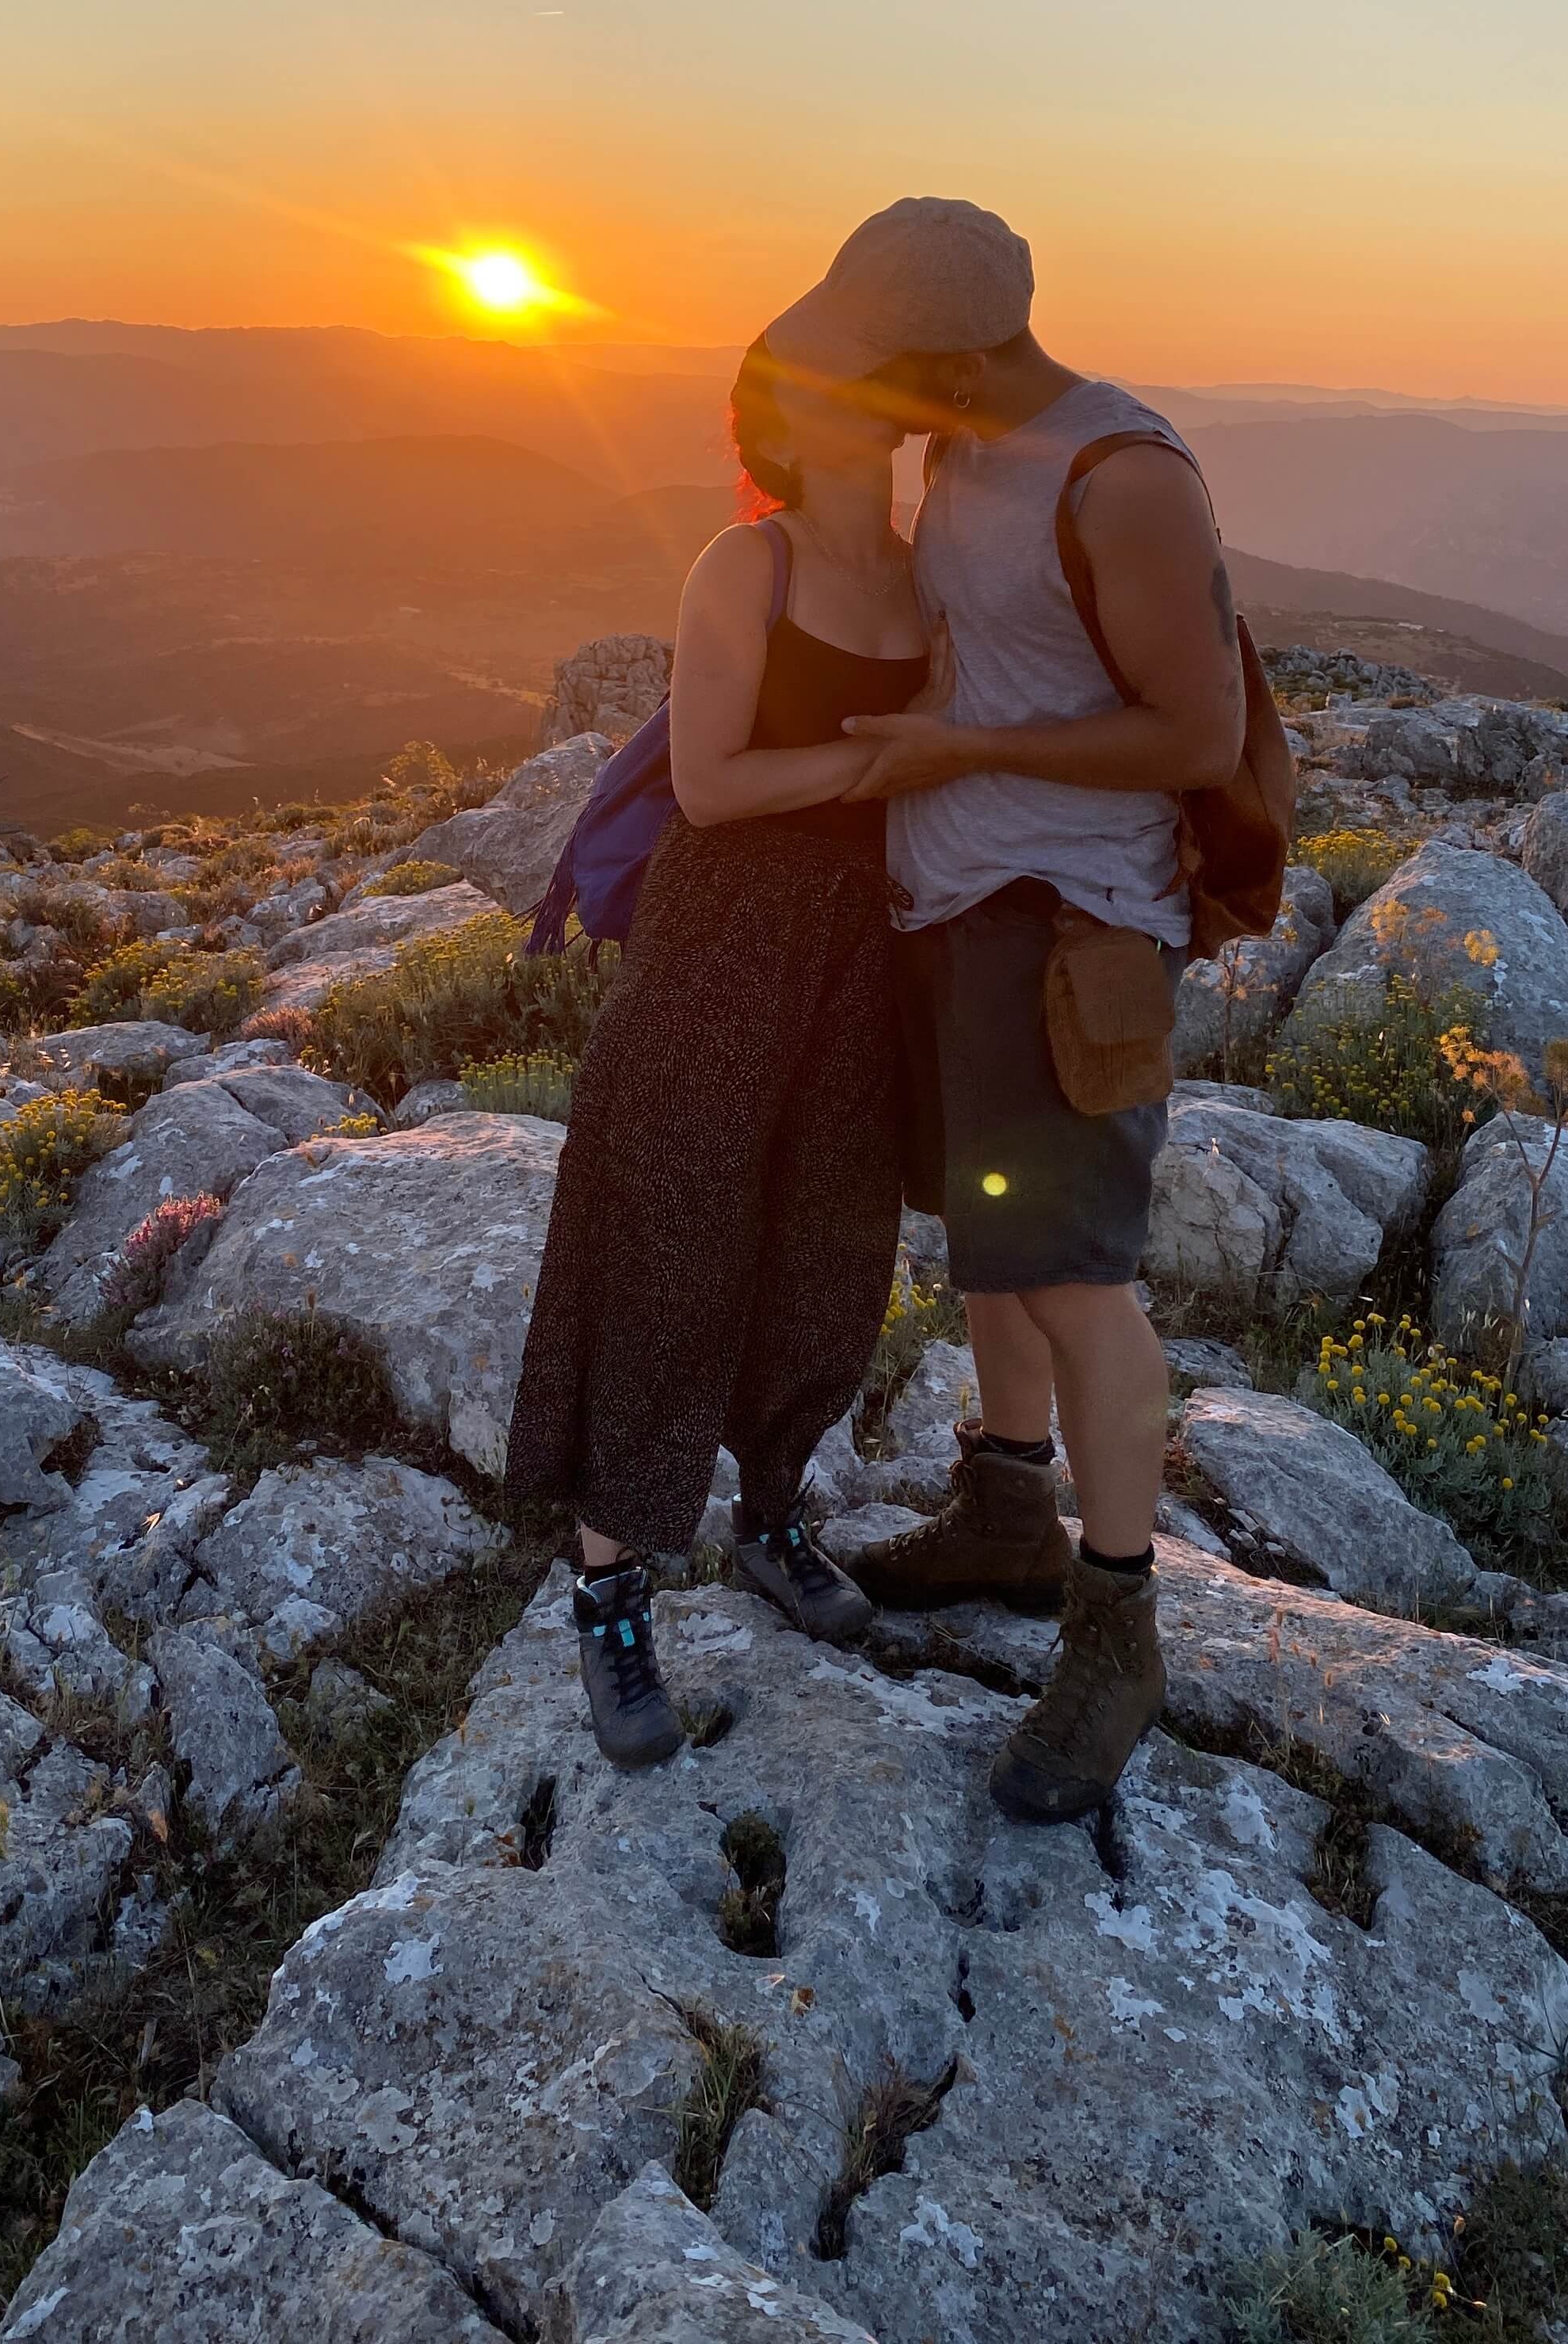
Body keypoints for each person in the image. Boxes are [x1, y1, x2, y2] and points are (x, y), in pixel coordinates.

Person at [760, 197, 1247, 1823]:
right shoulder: (965, 449)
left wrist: (960, 754)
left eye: (876, 362)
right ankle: (1006, 1511)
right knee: (991, 1244)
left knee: (1073, 1279)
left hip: (1068, 933)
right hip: (960, 914)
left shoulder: (1129, 481)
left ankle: (1119, 1630)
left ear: (958, 351)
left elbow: (1193, 731)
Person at [504, 334, 931, 1767]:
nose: (866, 420)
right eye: (829, 401)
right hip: (726, 938)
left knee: (826, 1241)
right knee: (670, 1238)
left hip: (865, 954)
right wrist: (876, 763)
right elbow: (711, 779)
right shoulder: (746, 570)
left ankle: (769, 1516)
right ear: (787, 433)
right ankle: (611, 1591)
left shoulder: (929, 572)